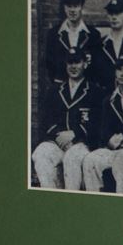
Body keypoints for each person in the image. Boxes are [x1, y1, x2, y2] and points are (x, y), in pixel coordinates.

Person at [32, 46, 102, 190]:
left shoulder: (95, 91)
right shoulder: (55, 90)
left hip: (82, 144)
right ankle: (51, 197)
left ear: (85, 63)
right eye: (70, 62)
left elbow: (97, 124)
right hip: (57, 142)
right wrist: (59, 136)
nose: (73, 66)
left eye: (77, 62)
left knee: (72, 158)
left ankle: (72, 201)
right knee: (40, 154)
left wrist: (75, 134)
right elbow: (46, 120)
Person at [83, 55, 123, 194]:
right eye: (118, 70)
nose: (121, 74)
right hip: (115, 148)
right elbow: (104, 131)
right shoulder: (109, 100)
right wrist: (120, 143)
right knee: (90, 160)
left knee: (121, 161)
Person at [44, 0, 101, 87]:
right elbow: (49, 64)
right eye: (69, 6)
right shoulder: (54, 34)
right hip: (61, 86)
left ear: (81, 7)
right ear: (64, 8)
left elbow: (97, 65)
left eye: (76, 6)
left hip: (85, 88)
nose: (72, 10)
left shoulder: (93, 35)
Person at [93, 0, 123, 93]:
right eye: (111, 13)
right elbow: (95, 75)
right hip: (105, 98)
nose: (114, 17)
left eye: (118, 13)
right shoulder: (99, 45)